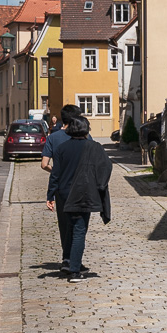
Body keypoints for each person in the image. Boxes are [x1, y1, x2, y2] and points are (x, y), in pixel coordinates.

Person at [46, 116, 112, 282]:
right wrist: (100, 187)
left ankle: (68, 261)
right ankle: (74, 270)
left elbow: (55, 174)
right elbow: (106, 167)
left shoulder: (61, 148)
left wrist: (50, 195)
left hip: (64, 194)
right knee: (79, 230)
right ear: (86, 130)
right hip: (83, 194)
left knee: (70, 228)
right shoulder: (94, 147)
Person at [41, 104, 82, 272]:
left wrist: (58, 170)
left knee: (64, 223)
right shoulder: (84, 136)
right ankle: (74, 259)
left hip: (61, 187)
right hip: (80, 186)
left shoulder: (53, 138)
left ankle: (66, 258)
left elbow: (44, 164)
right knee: (79, 223)